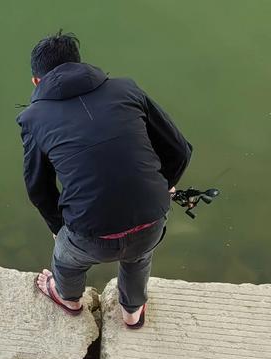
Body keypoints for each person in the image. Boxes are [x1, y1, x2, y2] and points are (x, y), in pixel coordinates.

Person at [17, 32, 192, 329]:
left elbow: (38, 187)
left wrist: (59, 228)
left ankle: (68, 298)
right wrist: (164, 184)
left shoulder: (34, 118)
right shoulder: (126, 90)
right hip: (151, 218)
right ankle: (132, 312)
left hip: (89, 234)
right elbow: (180, 150)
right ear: (78, 63)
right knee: (138, 256)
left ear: (36, 81)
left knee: (67, 259)